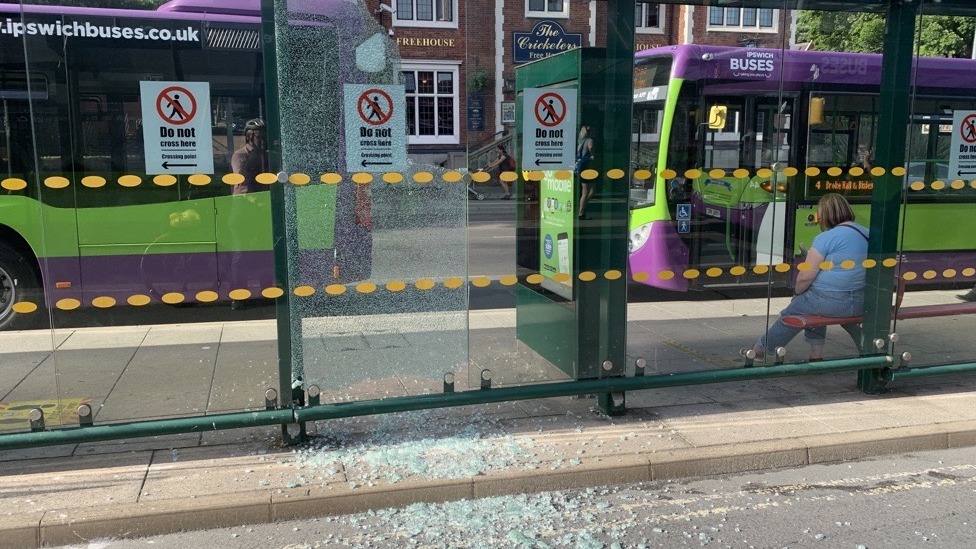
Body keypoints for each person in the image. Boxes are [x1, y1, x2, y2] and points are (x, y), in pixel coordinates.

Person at [745, 193, 869, 362]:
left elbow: (805, 276)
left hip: (831, 303)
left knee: (795, 309)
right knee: (812, 304)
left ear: (825, 215)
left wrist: (796, 292)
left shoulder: (825, 238)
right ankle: (816, 355)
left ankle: (760, 350)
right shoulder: (866, 233)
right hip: (861, 302)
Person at [231, 118, 268, 194]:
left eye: (264, 137)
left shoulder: (265, 155)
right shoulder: (240, 154)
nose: (262, 141)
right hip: (245, 198)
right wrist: (253, 199)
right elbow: (242, 179)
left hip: (263, 196)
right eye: (259, 137)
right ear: (248, 136)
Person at [575, 125, 595, 219]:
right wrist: (593, 155)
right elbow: (590, 148)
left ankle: (582, 211)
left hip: (581, 167)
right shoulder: (589, 140)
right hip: (587, 167)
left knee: (587, 191)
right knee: (588, 191)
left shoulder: (580, 142)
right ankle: (581, 212)